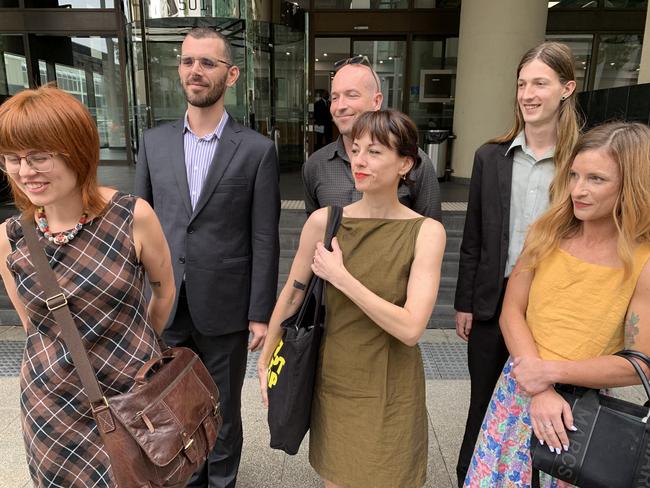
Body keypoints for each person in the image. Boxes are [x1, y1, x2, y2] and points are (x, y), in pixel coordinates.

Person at [258, 109, 446, 488]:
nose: (359, 160)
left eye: (375, 153)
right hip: (336, 380)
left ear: (406, 163)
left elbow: (411, 328)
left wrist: (342, 278)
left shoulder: (427, 232)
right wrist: (265, 359)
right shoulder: (324, 223)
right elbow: (293, 294)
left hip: (392, 385)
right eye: (356, 149)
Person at [0, 86, 175, 486]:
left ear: (76, 149)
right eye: (12, 158)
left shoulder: (131, 216)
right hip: (52, 408)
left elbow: (163, 293)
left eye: (39, 156)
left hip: (130, 398)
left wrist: (136, 352)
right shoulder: (10, 237)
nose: (25, 171)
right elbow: (32, 326)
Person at [465, 121, 650, 487]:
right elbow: (512, 311)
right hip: (518, 388)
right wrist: (538, 386)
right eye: (574, 175)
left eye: (596, 179)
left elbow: (639, 363)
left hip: (582, 411)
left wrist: (549, 376)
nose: (578, 190)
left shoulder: (642, 262)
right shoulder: (546, 232)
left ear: (632, 185)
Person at [134, 27, 280, 488]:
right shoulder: (153, 143)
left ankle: (222, 483)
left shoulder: (256, 150)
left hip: (227, 307)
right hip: (165, 302)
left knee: (222, 409)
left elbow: (264, 238)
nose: (195, 71)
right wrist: (138, 299)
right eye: (187, 61)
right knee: (172, 405)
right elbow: (139, 226)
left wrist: (260, 313)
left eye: (208, 63)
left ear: (231, 74)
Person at [454, 42, 581, 486]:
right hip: (491, 305)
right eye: (522, 83)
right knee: (483, 408)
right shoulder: (491, 157)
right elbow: (473, 238)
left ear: (567, 89)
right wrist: (465, 302)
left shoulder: (584, 161)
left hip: (558, 309)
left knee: (554, 415)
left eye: (540, 83)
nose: (528, 93)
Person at [303, 56, 442, 222]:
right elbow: (315, 234)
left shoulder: (414, 162)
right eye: (334, 97)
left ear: (376, 101)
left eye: (351, 95)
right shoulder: (315, 165)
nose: (340, 106)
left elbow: (429, 232)